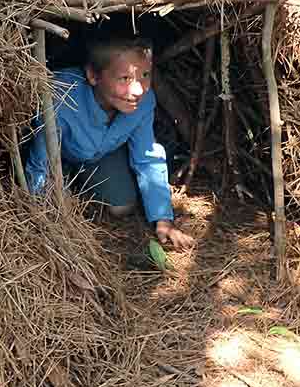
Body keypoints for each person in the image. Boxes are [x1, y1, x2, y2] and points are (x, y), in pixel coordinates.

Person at [24, 35, 193, 249]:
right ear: (93, 76)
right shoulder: (61, 98)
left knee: (121, 206)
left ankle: (82, 187)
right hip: (56, 157)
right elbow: (40, 165)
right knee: (56, 200)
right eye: (124, 78)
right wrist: (44, 216)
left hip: (97, 156)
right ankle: (68, 186)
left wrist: (163, 219)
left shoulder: (143, 102)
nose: (138, 90)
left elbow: (147, 156)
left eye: (145, 75)